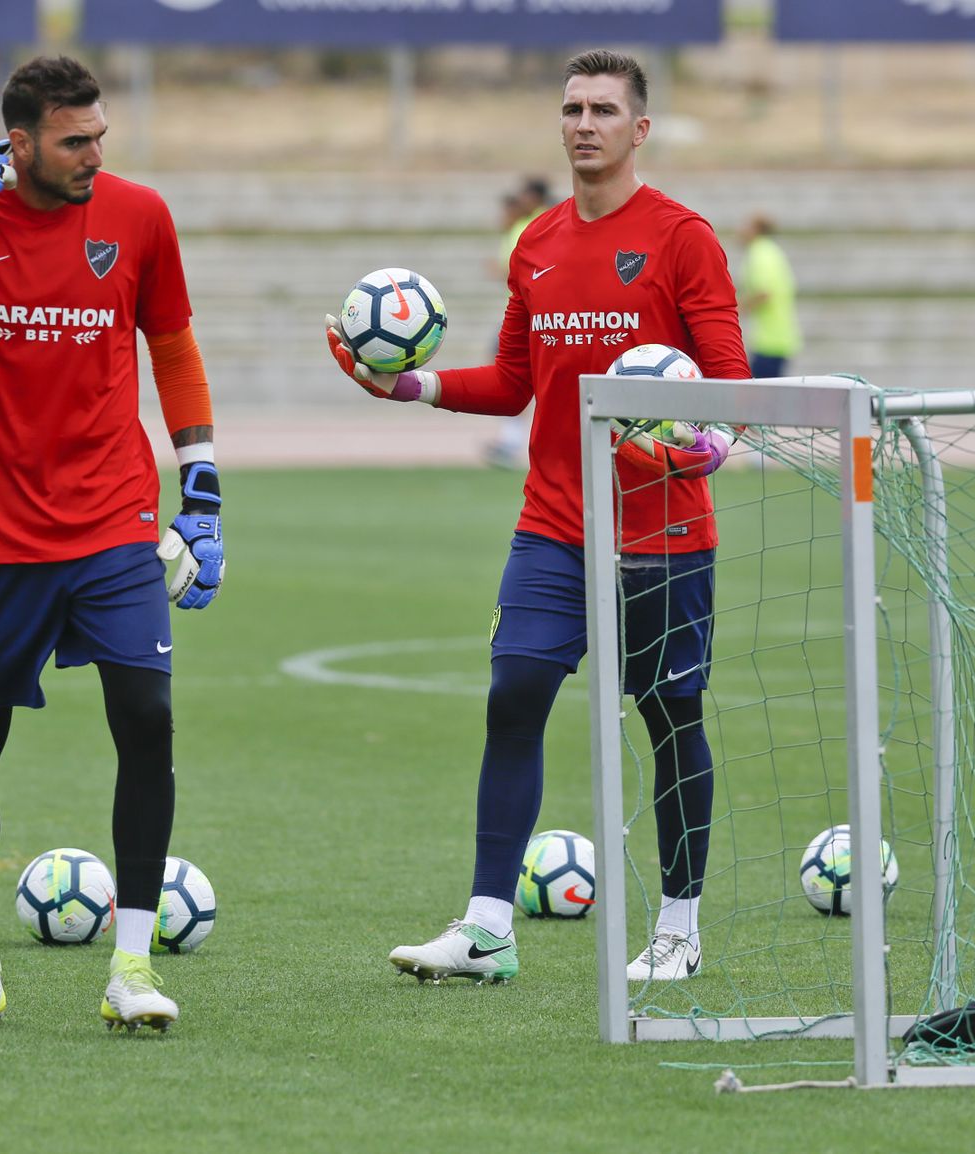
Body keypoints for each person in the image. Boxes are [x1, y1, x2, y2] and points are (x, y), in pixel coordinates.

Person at [326, 48, 749, 984]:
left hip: (663, 534)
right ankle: (486, 929)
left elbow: (728, 381)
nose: (585, 123)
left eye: (604, 109)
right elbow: (516, 380)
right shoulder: (537, 244)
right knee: (513, 697)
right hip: (554, 526)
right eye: (572, 108)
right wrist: (414, 385)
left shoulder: (683, 239)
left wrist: (701, 446)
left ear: (640, 129)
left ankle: (679, 926)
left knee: (671, 717)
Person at [0, 55, 225, 1032]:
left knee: (146, 715)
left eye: (99, 136)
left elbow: (175, 345)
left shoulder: (138, 215)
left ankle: (135, 966)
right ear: (17, 142)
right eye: (74, 140)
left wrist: (201, 489)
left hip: (112, 519)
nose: (94, 155)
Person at [483, 176, 552, 470]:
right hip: (527, 313)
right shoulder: (528, 225)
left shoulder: (537, 225)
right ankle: (513, 438)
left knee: (511, 372)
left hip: (536, 317)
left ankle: (514, 439)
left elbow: (524, 272)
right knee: (514, 372)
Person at [735, 213, 801, 378]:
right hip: (780, 337)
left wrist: (734, 311)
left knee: (763, 399)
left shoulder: (760, 253)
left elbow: (763, 292)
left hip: (769, 341)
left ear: (756, 230)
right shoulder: (772, 251)